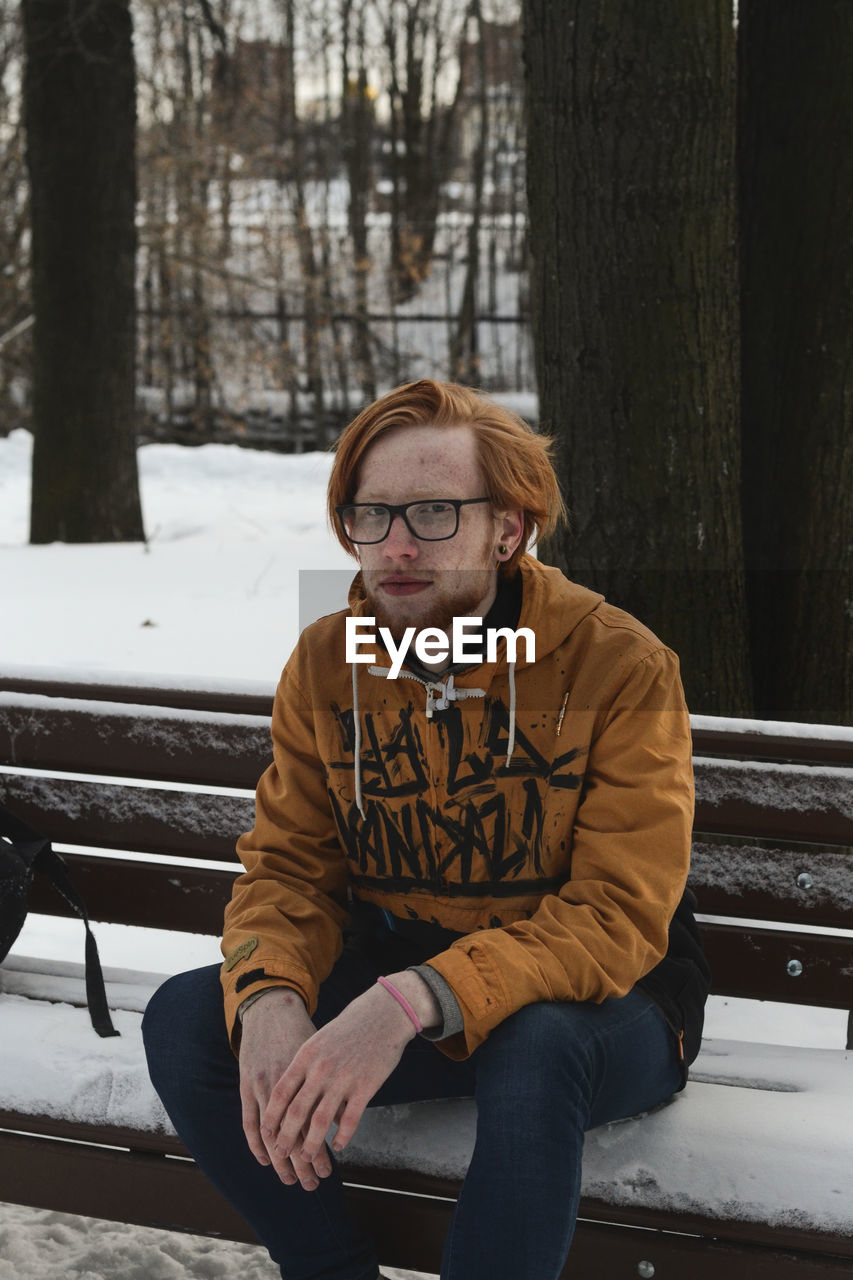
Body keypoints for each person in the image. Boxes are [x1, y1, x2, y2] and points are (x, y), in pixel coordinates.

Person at [143, 379, 710, 1280]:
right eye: (371, 515)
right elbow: (290, 868)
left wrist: (409, 1001)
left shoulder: (618, 664)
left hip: (609, 1007)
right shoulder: (331, 659)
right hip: (405, 975)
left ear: (509, 529)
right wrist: (271, 995)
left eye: (435, 513)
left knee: (536, 1044)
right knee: (188, 1019)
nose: (396, 546)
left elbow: (616, 916)